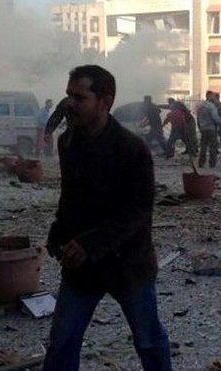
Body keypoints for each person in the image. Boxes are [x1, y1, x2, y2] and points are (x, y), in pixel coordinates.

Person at [43, 65, 172, 371]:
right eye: (69, 95)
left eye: (80, 97)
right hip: (82, 266)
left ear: (105, 102)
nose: (70, 104)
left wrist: (90, 243)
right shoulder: (68, 142)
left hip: (127, 263)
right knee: (62, 342)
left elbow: (137, 210)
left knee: (149, 341)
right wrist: (58, 230)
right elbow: (70, 195)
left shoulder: (132, 149)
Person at [196, 91, 221, 168]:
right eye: (212, 96)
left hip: (203, 129)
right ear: (209, 96)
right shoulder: (211, 106)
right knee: (213, 147)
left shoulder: (200, 106)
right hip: (211, 129)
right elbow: (215, 118)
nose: (214, 98)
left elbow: (198, 118)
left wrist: (200, 127)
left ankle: (201, 163)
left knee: (203, 147)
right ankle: (212, 163)